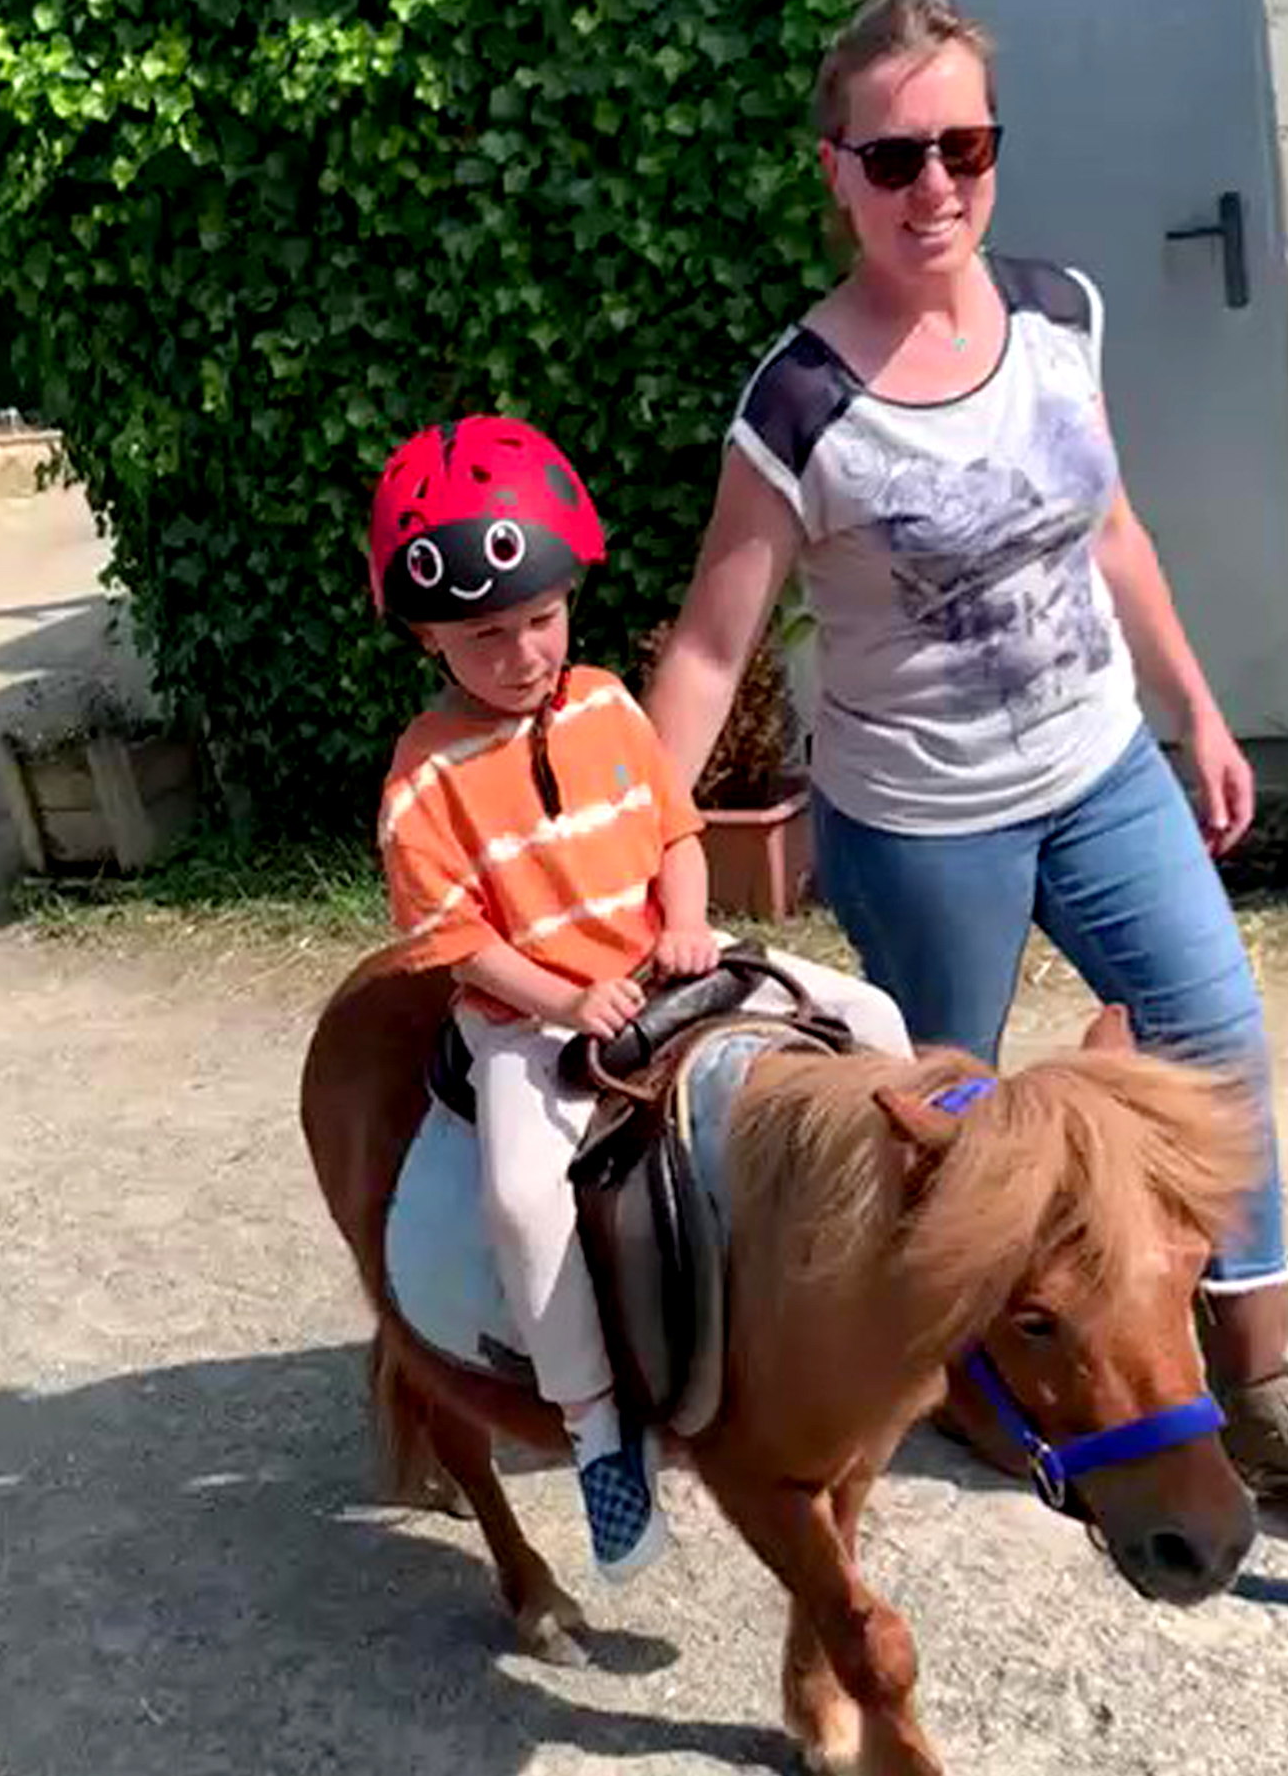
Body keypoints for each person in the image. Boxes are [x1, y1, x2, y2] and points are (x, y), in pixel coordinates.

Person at [644, 0, 1288, 1512]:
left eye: (965, 147)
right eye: (894, 156)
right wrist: (650, 856)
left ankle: (1256, 1386)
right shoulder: (801, 405)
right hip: (921, 825)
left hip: (1100, 772)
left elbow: (1109, 527)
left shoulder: (1059, 314)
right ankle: (971, 1382)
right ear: (836, 171)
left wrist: (1194, 709)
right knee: (948, 1135)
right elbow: (714, 647)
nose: (933, 185)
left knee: (1214, 1047)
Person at [368, 414, 912, 1580]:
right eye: (484, 634)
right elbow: (457, 942)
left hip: (673, 968)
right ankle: (597, 1430)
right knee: (525, 1201)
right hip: (531, 1023)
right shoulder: (421, 779)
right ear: (427, 635)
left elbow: (674, 833)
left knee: (875, 1021)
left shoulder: (609, 705)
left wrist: (683, 921)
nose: (523, 652)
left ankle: (901, 1253)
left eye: (541, 617)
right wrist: (565, 1000)